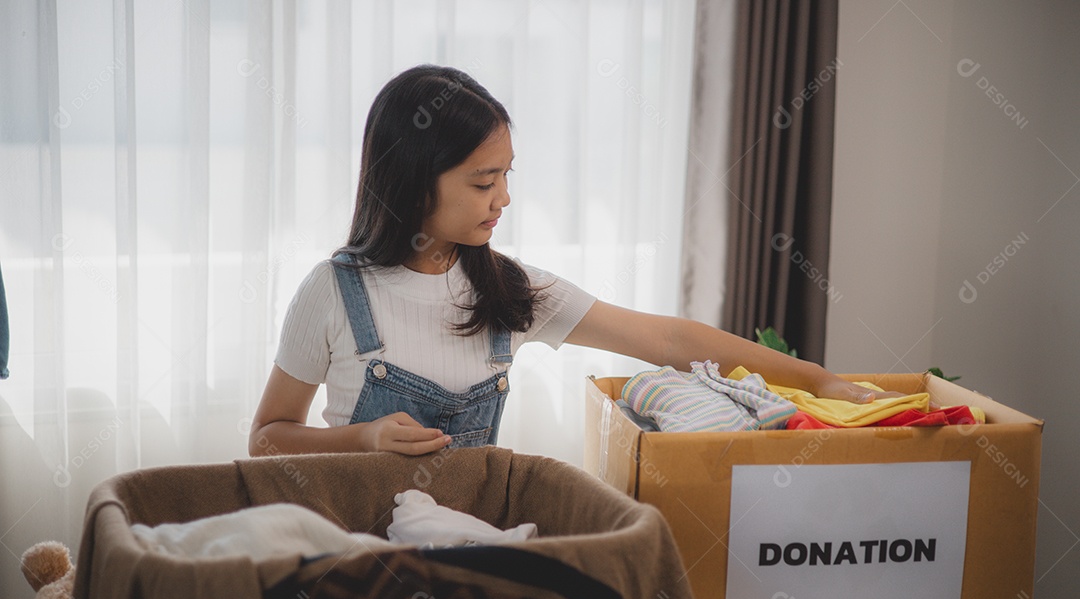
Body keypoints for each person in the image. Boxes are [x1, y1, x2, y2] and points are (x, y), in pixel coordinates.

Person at [249, 64, 881, 458]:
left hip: (463, 548)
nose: (502, 199)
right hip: (354, 556)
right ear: (413, 182)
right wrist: (362, 438)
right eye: (483, 181)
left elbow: (667, 339)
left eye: (507, 176)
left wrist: (818, 379)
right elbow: (267, 439)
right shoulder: (333, 290)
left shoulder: (509, 290)